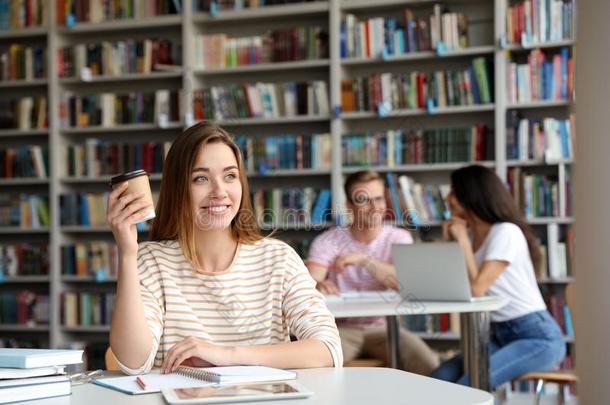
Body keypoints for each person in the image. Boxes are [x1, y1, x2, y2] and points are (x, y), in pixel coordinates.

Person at [107, 121, 343, 375]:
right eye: (201, 178)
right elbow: (133, 363)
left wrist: (226, 355)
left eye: (230, 176)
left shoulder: (278, 259)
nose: (219, 191)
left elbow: (329, 350)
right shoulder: (151, 260)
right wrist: (128, 253)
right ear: (179, 189)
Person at [431, 165, 566, 387]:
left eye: (454, 192)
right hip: (498, 334)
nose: (448, 199)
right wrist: (452, 243)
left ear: (471, 196)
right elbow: (453, 283)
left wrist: (462, 241)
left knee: (471, 386)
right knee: (440, 379)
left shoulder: (506, 232)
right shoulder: (473, 237)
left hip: (536, 336)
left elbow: (476, 290)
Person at [305, 170, 439, 375]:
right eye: (364, 200)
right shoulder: (327, 241)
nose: (375, 208)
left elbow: (404, 283)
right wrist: (317, 285)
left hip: (385, 330)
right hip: (339, 330)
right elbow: (310, 284)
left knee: (428, 365)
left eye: (379, 199)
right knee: (310, 369)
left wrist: (364, 259)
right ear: (349, 206)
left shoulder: (399, 238)